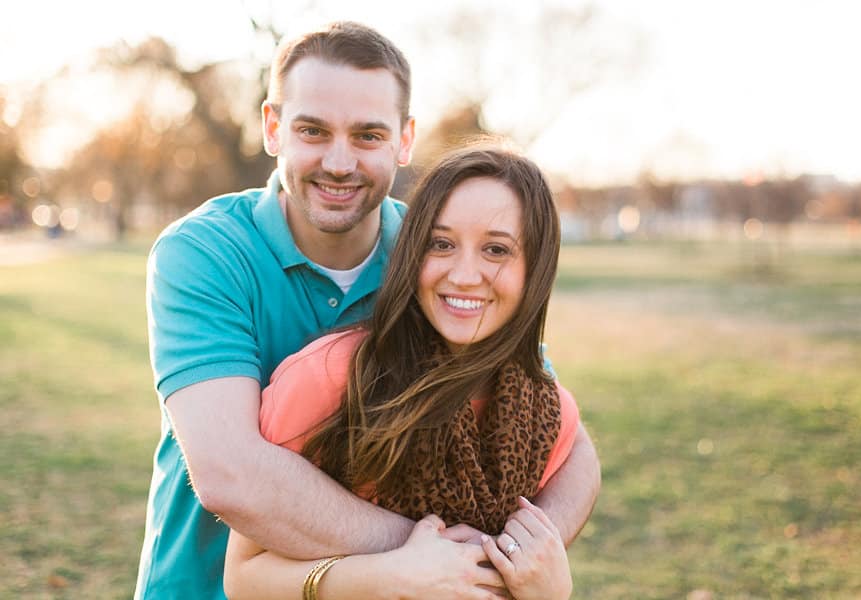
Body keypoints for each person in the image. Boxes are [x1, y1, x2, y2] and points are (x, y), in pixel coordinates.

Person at [137, 21, 600, 600]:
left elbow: (563, 431)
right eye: (312, 130)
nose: (339, 162)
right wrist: (429, 553)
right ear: (273, 127)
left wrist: (521, 563)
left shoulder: (436, 254)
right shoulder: (204, 253)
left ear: (404, 141)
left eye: (367, 135)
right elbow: (232, 474)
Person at [224, 145, 580, 600]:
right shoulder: (330, 378)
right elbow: (244, 577)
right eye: (442, 244)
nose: (463, 275)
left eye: (496, 250)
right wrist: (387, 576)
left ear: (537, 268)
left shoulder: (547, 414)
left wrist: (552, 592)